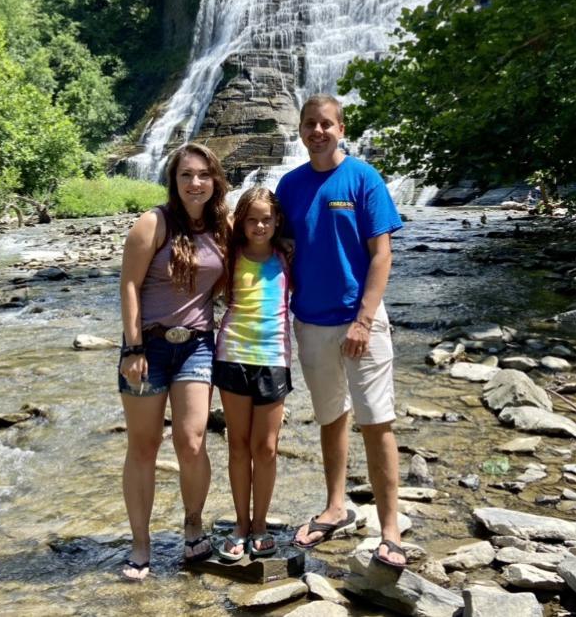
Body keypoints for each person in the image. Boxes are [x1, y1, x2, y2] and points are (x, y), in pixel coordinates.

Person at [275, 94, 407, 569]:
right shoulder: (289, 186)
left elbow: (381, 254)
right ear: (301, 130)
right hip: (310, 321)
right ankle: (336, 507)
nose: (318, 131)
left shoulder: (364, 178)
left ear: (341, 129)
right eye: (310, 124)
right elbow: (280, 247)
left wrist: (365, 321)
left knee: (377, 422)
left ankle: (390, 529)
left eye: (326, 124)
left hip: (360, 322)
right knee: (331, 417)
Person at [118, 143, 230, 581]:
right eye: (186, 175)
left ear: (215, 179)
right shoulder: (153, 222)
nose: (195, 182)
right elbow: (129, 286)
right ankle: (141, 544)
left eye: (203, 174)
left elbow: (261, 247)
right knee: (144, 447)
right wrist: (132, 348)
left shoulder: (224, 226)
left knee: (192, 441)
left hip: (198, 345)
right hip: (149, 347)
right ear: (174, 180)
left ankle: (193, 527)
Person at [213, 186, 292, 562]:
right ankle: (241, 525)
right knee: (238, 445)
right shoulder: (229, 256)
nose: (259, 225)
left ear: (277, 222)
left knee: (266, 447)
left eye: (266, 219)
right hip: (231, 356)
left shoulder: (287, 256)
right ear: (240, 222)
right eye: (252, 219)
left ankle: (260, 523)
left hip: (274, 359)